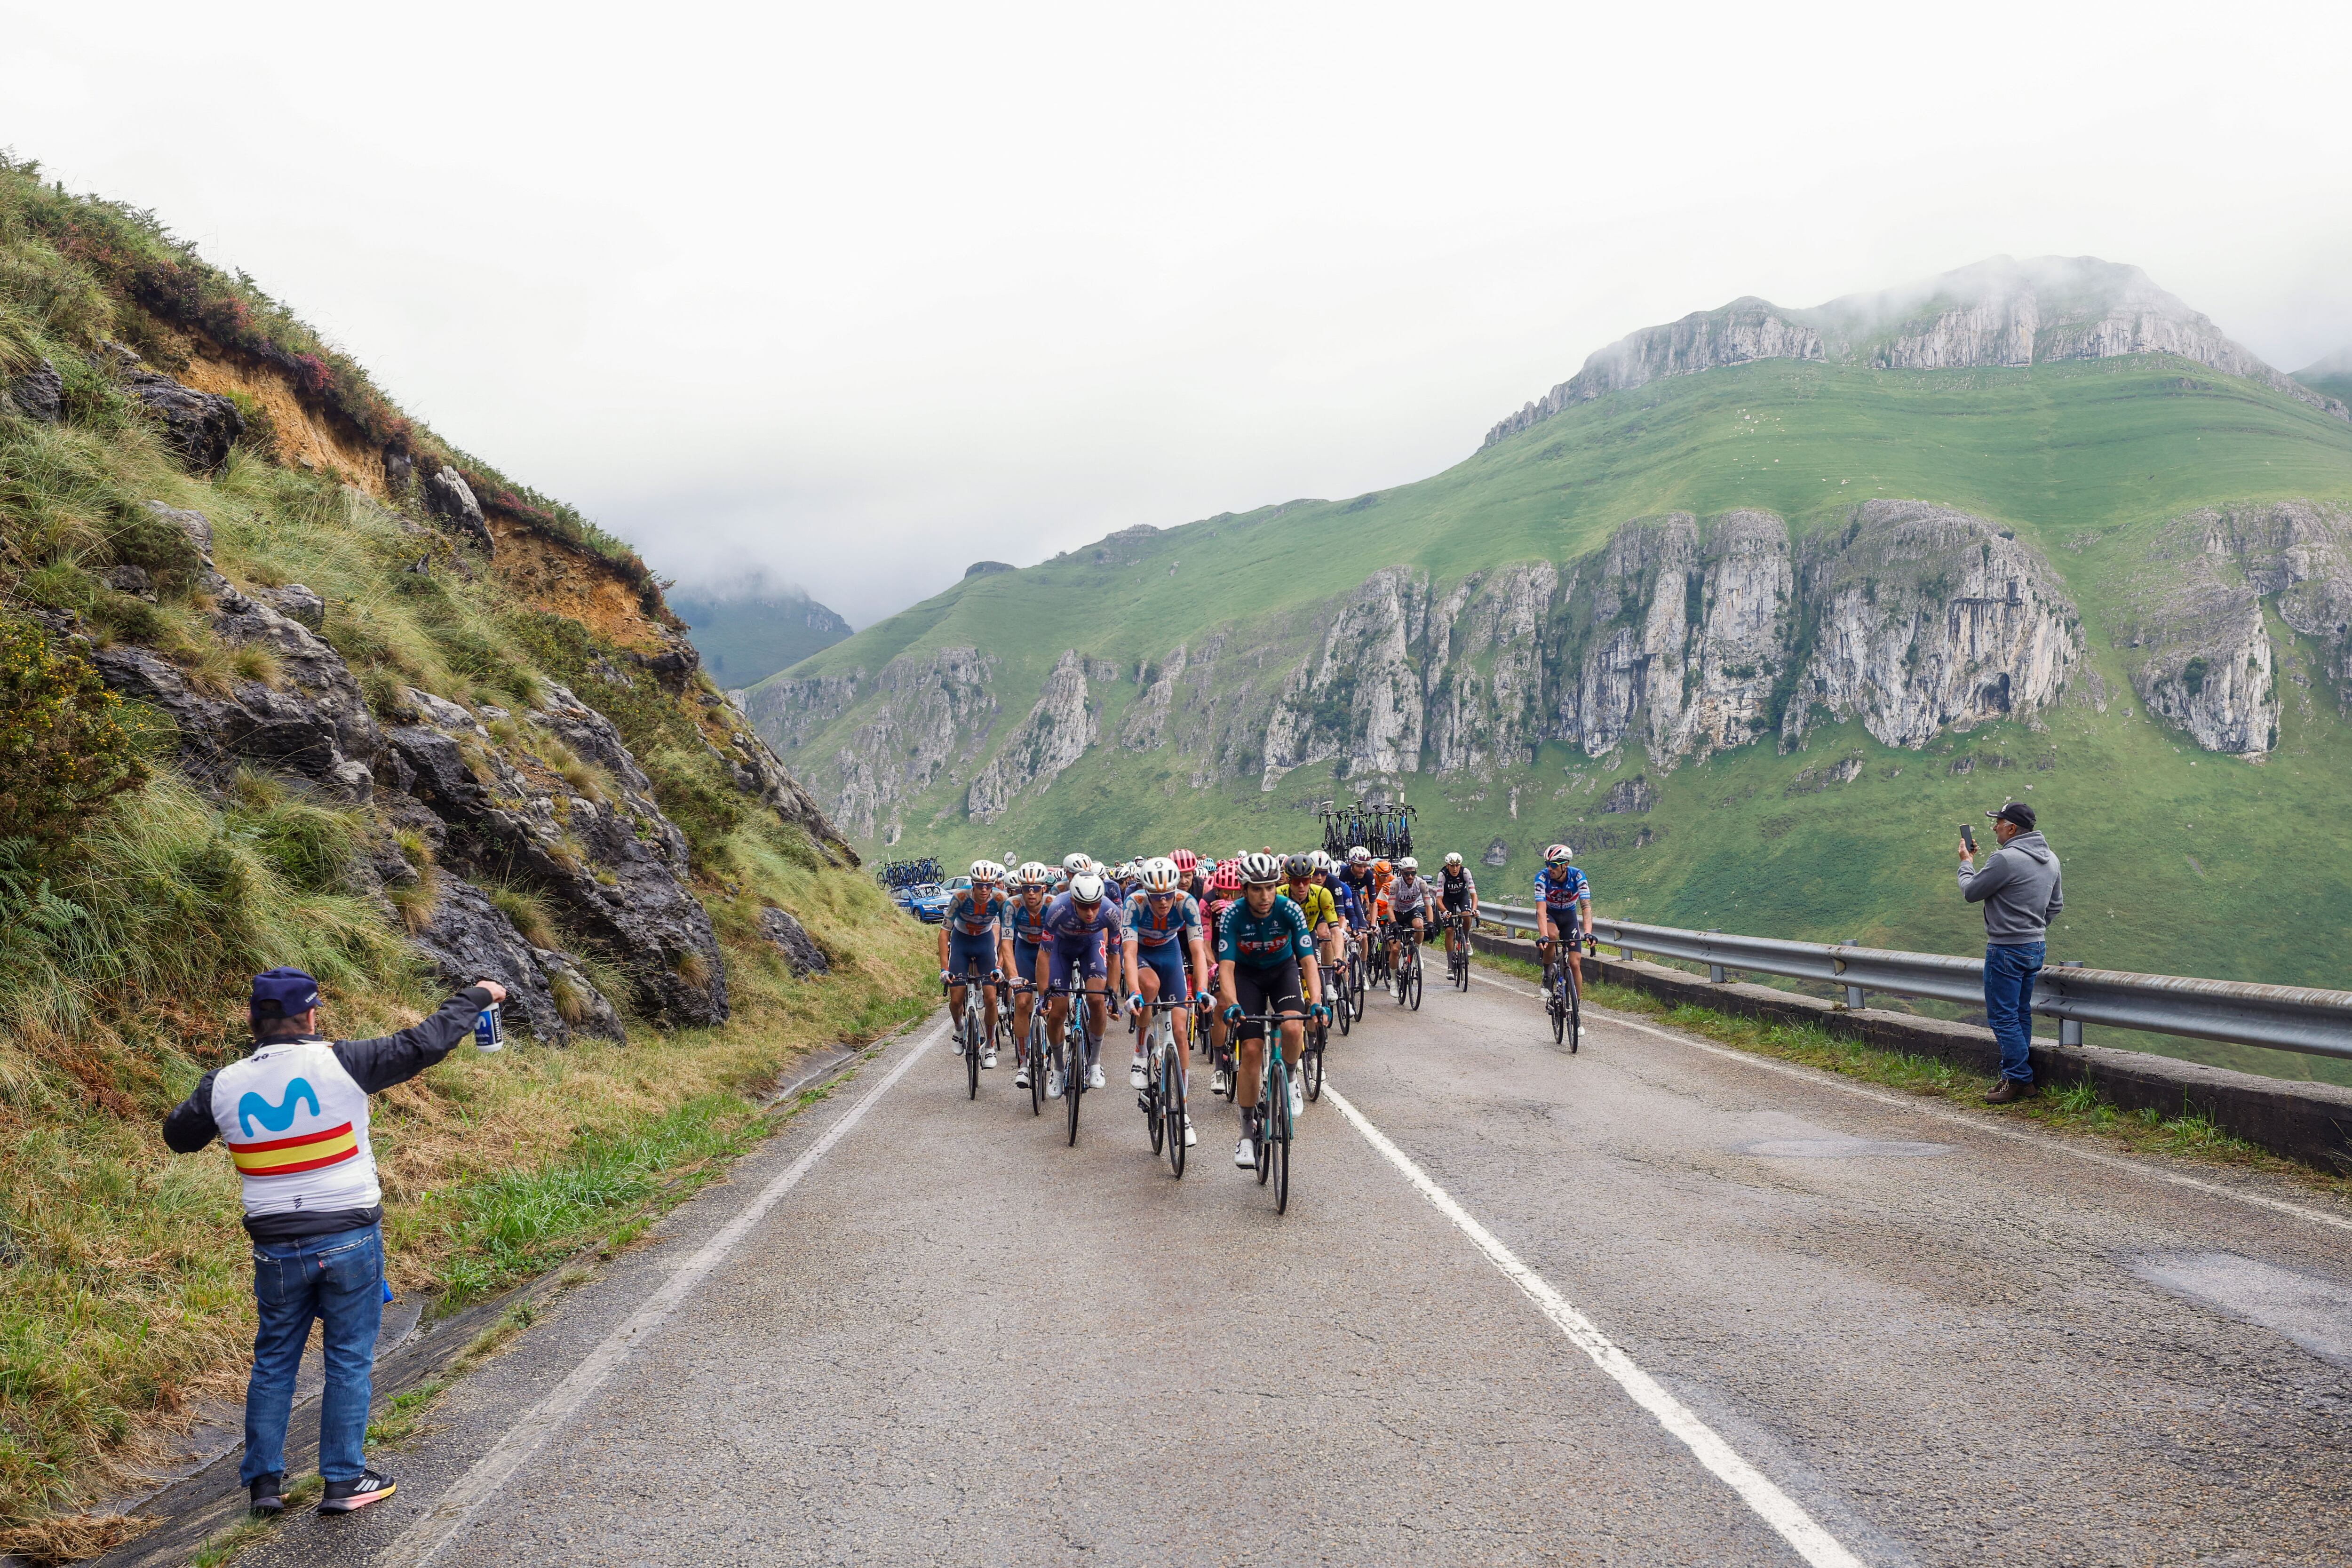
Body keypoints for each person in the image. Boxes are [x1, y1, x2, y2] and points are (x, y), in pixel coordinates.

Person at [163, 968, 509, 1518]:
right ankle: (345, 1481)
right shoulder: (345, 1061)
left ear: (253, 1019)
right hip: (349, 1238)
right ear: (312, 1015)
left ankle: (264, 1487)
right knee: (348, 1360)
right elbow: (427, 1042)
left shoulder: (221, 1084)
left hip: (275, 1249)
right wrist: (479, 996)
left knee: (274, 1361)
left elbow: (179, 1137)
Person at [1216, 851, 1326, 1170]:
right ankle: (1246, 1134)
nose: (1265, 896)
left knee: (1293, 1027)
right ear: (1244, 889)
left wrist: (1317, 1001)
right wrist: (1233, 1004)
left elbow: (1308, 961)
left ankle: (1290, 1080)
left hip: (1282, 972)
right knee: (1251, 1049)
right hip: (1246, 977)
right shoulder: (1232, 915)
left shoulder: (1289, 909)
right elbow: (1225, 968)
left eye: (1269, 887)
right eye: (1257, 889)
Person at [1959, 802, 2064, 1104]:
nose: (1994, 827)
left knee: (2003, 1017)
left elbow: (1971, 891)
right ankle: (2015, 1077)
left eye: (1999, 822)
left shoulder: (2005, 859)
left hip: (2006, 949)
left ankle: (2018, 1080)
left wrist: (1966, 862)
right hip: (2035, 947)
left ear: (2012, 828)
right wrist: (2033, 929)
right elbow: (2055, 906)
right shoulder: (2052, 859)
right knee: (2019, 1013)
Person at [1120, 858, 1207, 1146]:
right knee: (1149, 987)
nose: (1163, 902)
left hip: (1169, 953)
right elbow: (1129, 954)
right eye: (1156, 897)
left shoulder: (1187, 903)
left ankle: (1183, 1109)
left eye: (1168, 896)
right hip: (1142, 954)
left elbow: (1197, 953)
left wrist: (1203, 989)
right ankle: (1140, 1052)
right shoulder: (1134, 904)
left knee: (1180, 1030)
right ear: (1147, 892)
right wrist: (1133, 991)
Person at [1042, 870, 1124, 1094]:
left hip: (1091, 945)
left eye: (1095, 905)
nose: (1090, 912)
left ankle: (1095, 1063)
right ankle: (1058, 1069)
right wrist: (1043, 997)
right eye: (1084, 906)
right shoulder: (1057, 909)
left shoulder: (1111, 912)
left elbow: (1115, 954)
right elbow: (1044, 955)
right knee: (1057, 1012)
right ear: (1073, 901)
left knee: (1097, 1000)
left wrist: (1113, 995)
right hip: (1062, 949)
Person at [939, 860, 1012, 1067]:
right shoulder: (960, 897)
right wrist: (944, 969)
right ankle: (959, 1029)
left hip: (984, 944)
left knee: (990, 999)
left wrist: (999, 966)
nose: (984, 889)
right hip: (961, 943)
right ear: (973, 883)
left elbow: (1007, 937)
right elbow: (944, 933)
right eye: (979, 885)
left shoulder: (1001, 899)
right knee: (956, 999)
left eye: (988, 885)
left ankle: (989, 1046)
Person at [1007, 862, 1055, 1090]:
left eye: (1036, 888)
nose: (1031, 893)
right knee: (1023, 1002)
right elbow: (1006, 944)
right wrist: (1014, 976)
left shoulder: (1054, 905)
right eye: (1027, 889)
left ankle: (1058, 1056)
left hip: (1051, 952)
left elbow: (1064, 941)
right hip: (1025, 951)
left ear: (1044, 888)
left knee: (1056, 1004)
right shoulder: (1012, 906)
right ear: (1021, 889)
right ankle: (1024, 1063)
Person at [1533, 844, 1592, 1024]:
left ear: (1565, 865)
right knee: (1552, 936)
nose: (1549, 868)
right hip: (1550, 915)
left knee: (1575, 963)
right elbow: (1541, 911)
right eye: (1547, 864)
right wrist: (1543, 934)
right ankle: (1547, 973)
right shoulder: (1542, 878)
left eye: (1553, 865)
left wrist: (1589, 932)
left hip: (1569, 917)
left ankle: (1576, 1012)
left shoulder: (1578, 876)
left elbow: (1586, 907)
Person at [1386, 856, 1430, 979]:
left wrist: (1431, 923)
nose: (1410, 876)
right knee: (1395, 950)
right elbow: (1390, 908)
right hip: (1397, 913)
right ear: (1401, 873)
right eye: (1407, 874)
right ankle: (1394, 980)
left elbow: (1428, 906)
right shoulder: (1396, 884)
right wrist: (1394, 923)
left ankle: (1418, 953)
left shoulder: (1421, 883)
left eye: (1413, 873)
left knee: (1420, 926)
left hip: (1411, 911)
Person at [1438, 852, 1479, 961]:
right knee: (1449, 930)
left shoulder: (1465, 872)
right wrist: (1444, 911)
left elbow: (1474, 895)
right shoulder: (1443, 875)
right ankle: (1451, 965)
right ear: (1447, 866)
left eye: (1457, 865)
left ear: (1460, 865)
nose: (1455, 869)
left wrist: (1474, 909)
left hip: (1462, 897)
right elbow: (1439, 899)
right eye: (1452, 866)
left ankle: (1466, 939)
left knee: (1467, 914)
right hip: (1448, 900)